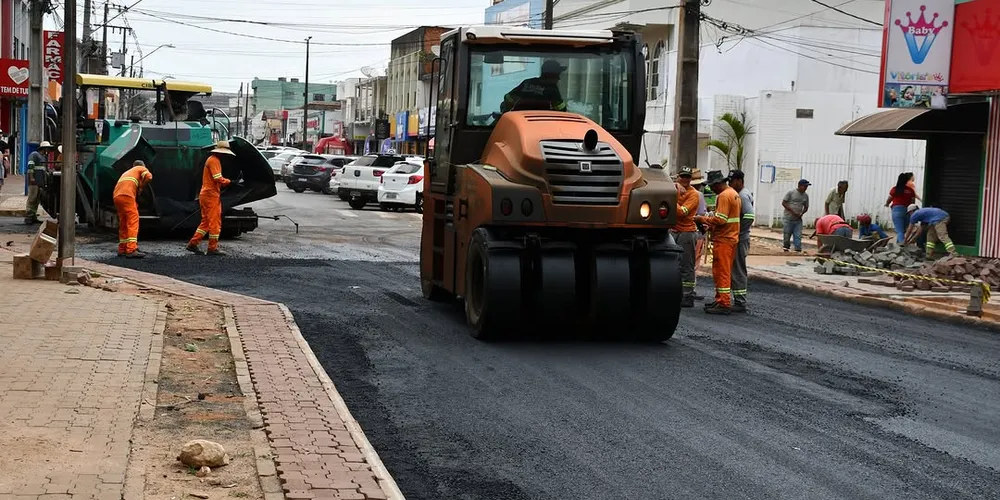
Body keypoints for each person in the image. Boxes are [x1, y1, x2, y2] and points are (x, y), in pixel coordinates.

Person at [694, 170, 741, 315]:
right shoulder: (733, 193)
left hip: (724, 240)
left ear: (717, 184)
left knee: (722, 272)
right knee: (721, 271)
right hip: (729, 238)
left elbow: (721, 219)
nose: (711, 189)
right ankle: (720, 299)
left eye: (712, 186)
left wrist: (702, 219)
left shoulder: (724, 196)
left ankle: (724, 303)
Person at [186, 141, 234, 256]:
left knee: (206, 223)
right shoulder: (214, 161)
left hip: (207, 194)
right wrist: (229, 182)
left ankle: (193, 244)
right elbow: (217, 178)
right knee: (214, 222)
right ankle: (212, 248)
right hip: (210, 195)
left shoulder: (212, 159)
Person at [113, 160, 153, 258]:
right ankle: (131, 249)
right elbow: (149, 177)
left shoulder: (127, 173)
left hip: (117, 196)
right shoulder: (140, 168)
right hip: (127, 195)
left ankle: (122, 249)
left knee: (123, 222)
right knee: (133, 220)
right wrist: (141, 186)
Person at [673, 166, 701, 308]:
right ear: (678, 177)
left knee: (686, 265)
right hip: (673, 231)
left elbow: (682, 212)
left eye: (687, 177)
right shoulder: (674, 188)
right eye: (682, 176)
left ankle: (688, 295)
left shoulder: (694, 194)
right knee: (673, 264)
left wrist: (670, 199)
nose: (685, 179)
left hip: (687, 233)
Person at [728, 170, 754, 313]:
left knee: (738, 268)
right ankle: (737, 299)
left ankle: (740, 301)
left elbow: (749, 216)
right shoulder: (740, 194)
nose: (730, 184)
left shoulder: (743, 196)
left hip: (740, 238)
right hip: (739, 237)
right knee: (735, 268)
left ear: (739, 181)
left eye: (732, 181)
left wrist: (738, 231)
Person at [500, 60, 567, 113]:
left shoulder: (527, 82)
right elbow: (562, 110)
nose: (559, 78)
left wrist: (507, 111)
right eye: (558, 74)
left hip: (520, 121)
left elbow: (508, 97)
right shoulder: (551, 89)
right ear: (552, 75)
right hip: (542, 123)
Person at [24, 141, 55, 224]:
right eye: (47, 149)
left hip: (39, 181)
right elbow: (30, 166)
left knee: (37, 199)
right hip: (34, 181)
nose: (48, 151)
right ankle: (29, 216)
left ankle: (33, 216)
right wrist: (31, 177)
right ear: (44, 149)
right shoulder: (34, 155)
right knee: (32, 198)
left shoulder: (43, 157)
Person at [885, 172, 919, 243]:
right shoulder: (910, 190)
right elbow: (913, 202)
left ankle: (902, 245)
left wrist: (887, 204)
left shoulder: (895, 189)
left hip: (897, 210)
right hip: (907, 211)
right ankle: (898, 245)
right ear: (907, 180)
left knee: (899, 231)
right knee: (902, 231)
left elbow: (889, 199)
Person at [781, 179, 810, 252]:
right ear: (799, 186)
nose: (806, 188)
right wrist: (792, 211)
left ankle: (797, 249)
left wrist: (801, 213)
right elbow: (784, 203)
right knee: (787, 234)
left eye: (806, 186)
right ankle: (786, 247)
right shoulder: (791, 193)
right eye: (804, 186)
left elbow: (806, 207)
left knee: (798, 235)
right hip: (788, 218)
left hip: (798, 219)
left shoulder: (805, 196)